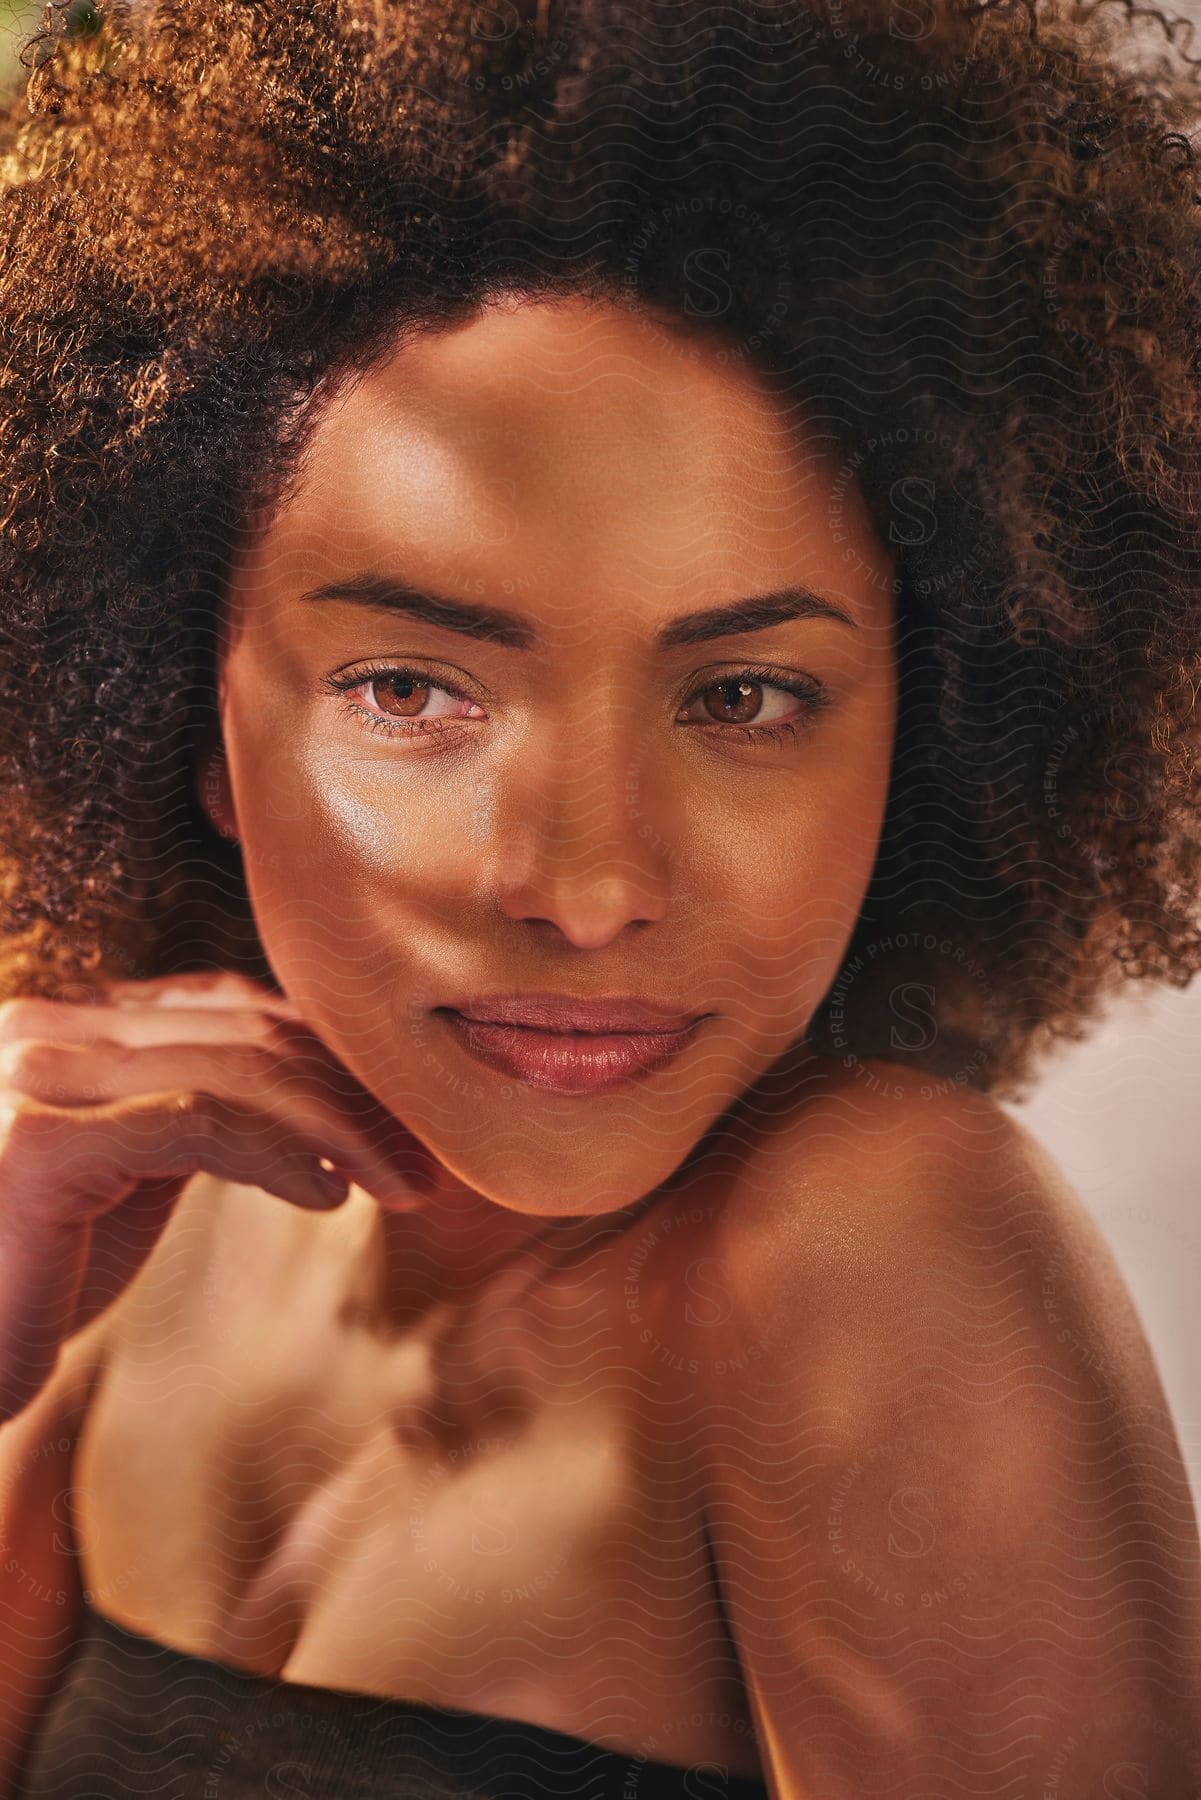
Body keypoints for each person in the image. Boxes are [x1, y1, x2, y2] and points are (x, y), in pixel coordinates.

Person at [0, 0, 1199, 1793]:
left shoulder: (864, 1247)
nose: (585, 886)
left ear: (936, 732)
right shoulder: (131, 1220)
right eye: (411, 689)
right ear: (188, 714)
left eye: (742, 698)